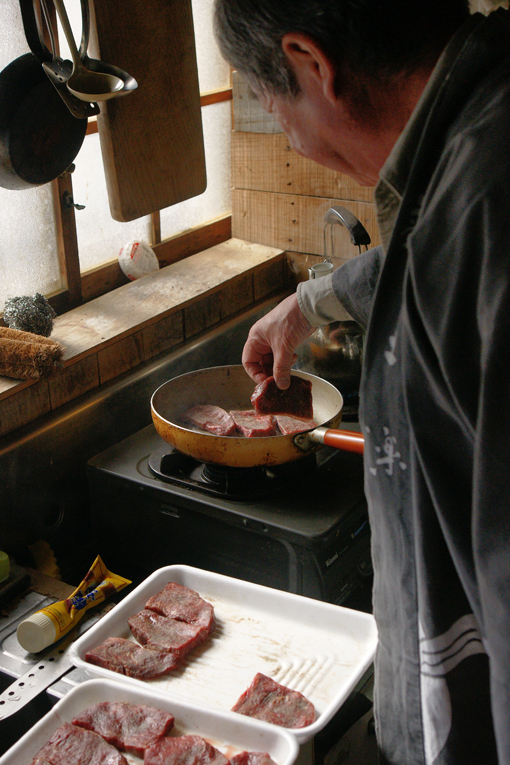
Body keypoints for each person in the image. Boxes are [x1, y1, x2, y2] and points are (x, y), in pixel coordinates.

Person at [213, 1, 510, 764]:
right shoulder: (476, 129)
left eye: (267, 97)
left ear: (313, 64)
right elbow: (421, 256)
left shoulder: (486, 199)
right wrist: (307, 305)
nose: (280, 128)